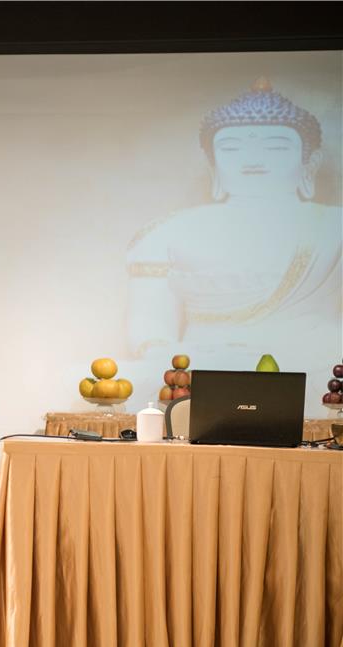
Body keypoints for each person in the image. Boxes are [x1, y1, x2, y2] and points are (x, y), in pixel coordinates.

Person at [125, 78, 341, 406]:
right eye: (231, 148)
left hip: (309, 360)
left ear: (309, 162)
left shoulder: (334, 225)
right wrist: (164, 353)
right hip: (204, 363)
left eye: (276, 147)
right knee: (73, 376)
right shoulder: (166, 231)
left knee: (309, 375)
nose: (253, 160)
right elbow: (149, 322)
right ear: (213, 163)